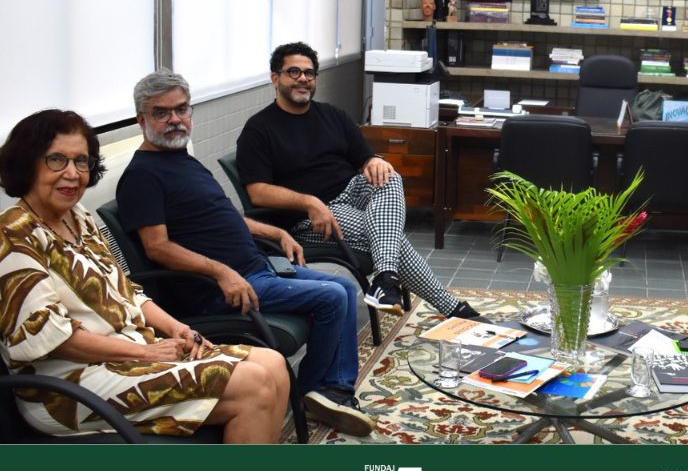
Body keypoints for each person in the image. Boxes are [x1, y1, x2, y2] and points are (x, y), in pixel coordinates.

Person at [0, 110, 289, 442]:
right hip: (68, 386)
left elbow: (126, 292)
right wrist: (147, 353)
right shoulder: (13, 234)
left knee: (273, 363)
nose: (72, 173)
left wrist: (178, 329)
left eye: (81, 161)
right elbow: (54, 338)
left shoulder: (77, 217)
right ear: (27, 164)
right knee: (253, 384)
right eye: (56, 160)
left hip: (128, 352)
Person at [116, 71, 375, 436]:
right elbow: (157, 247)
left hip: (255, 268)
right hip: (215, 292)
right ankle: (316, 390)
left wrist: (276, 232)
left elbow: (224, 216)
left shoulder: (183, 160)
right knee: (332, 296)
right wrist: (221, 272)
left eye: (181, 109)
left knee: (346, 288)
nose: (175, 119)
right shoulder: (142, 176)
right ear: (141, 120)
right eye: (162, 113)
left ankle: (332, 388)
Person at [236, 41, 480, 320]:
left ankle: (385, 279)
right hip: (309, 216)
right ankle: (450, 307)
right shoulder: (259, 129)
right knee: (385, 235)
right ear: (275, 78)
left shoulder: (333, 115)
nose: (303, 78)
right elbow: (257, 192)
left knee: (390, 177)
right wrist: (309, 202)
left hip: (350, 191)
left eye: (309, 73)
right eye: (294, 72)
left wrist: (374, 161)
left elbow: (364, 158)